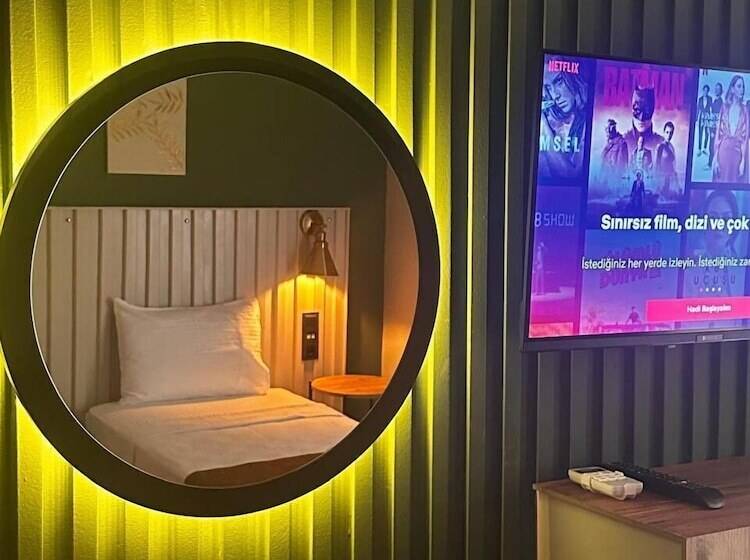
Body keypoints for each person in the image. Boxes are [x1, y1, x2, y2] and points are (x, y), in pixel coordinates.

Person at [538, 69, 589, 178]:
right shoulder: (551, 118)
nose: (555, 95)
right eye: (549, 87)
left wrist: (543, 124)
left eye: (559, 81)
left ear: (572, 79)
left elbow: (569, 177)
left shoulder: (588, 120)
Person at [714, 74, 749, 183]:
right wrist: (715, 159)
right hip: (723, 152)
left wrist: (743, 162)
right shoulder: (724, 107)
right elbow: (718, 135)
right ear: (732, 89)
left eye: (743, 87)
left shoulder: (745, 110)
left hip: (737, 154)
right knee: (721, 184)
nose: (742, 90)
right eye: (739, 86)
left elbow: (745, 138)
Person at [623, 86, 664, 153]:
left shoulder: (661, 144)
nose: (641, 118)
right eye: (637, 110)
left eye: (647, 111)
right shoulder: (623, 141)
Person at [656, 121, 677, 195]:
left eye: (671, 133)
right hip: (661, 178)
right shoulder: (660, 147)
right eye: (667, 132)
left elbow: (673, 163)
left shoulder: (672, 147)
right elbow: (657, 164)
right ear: (664, 132)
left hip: (669, 178)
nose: (669, 135)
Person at [707, 82, 724, 169]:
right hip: (712, 127)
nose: (716, 90)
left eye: (718, 89)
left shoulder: (720, 102)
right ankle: (711, 163)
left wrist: (714, 130)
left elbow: (718, 117)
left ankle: (712, 163)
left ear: (721, 91)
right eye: (716, 89)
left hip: (716, 129)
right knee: (711, 146)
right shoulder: (714, 101)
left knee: (713, 146)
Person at [697, 84, 713, 156]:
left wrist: (711, 119)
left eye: (707, 91)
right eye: (704, 90)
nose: (705, 92)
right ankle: (699, 149)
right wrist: (696, 119)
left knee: (707, 133)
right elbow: (698, 109)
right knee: (700, 133)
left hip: (707, 117)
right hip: (701, 118)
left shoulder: (710, 99)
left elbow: (711, 109)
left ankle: (705, 148)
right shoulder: (700, 99)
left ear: (708, 92)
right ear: (703, 91)